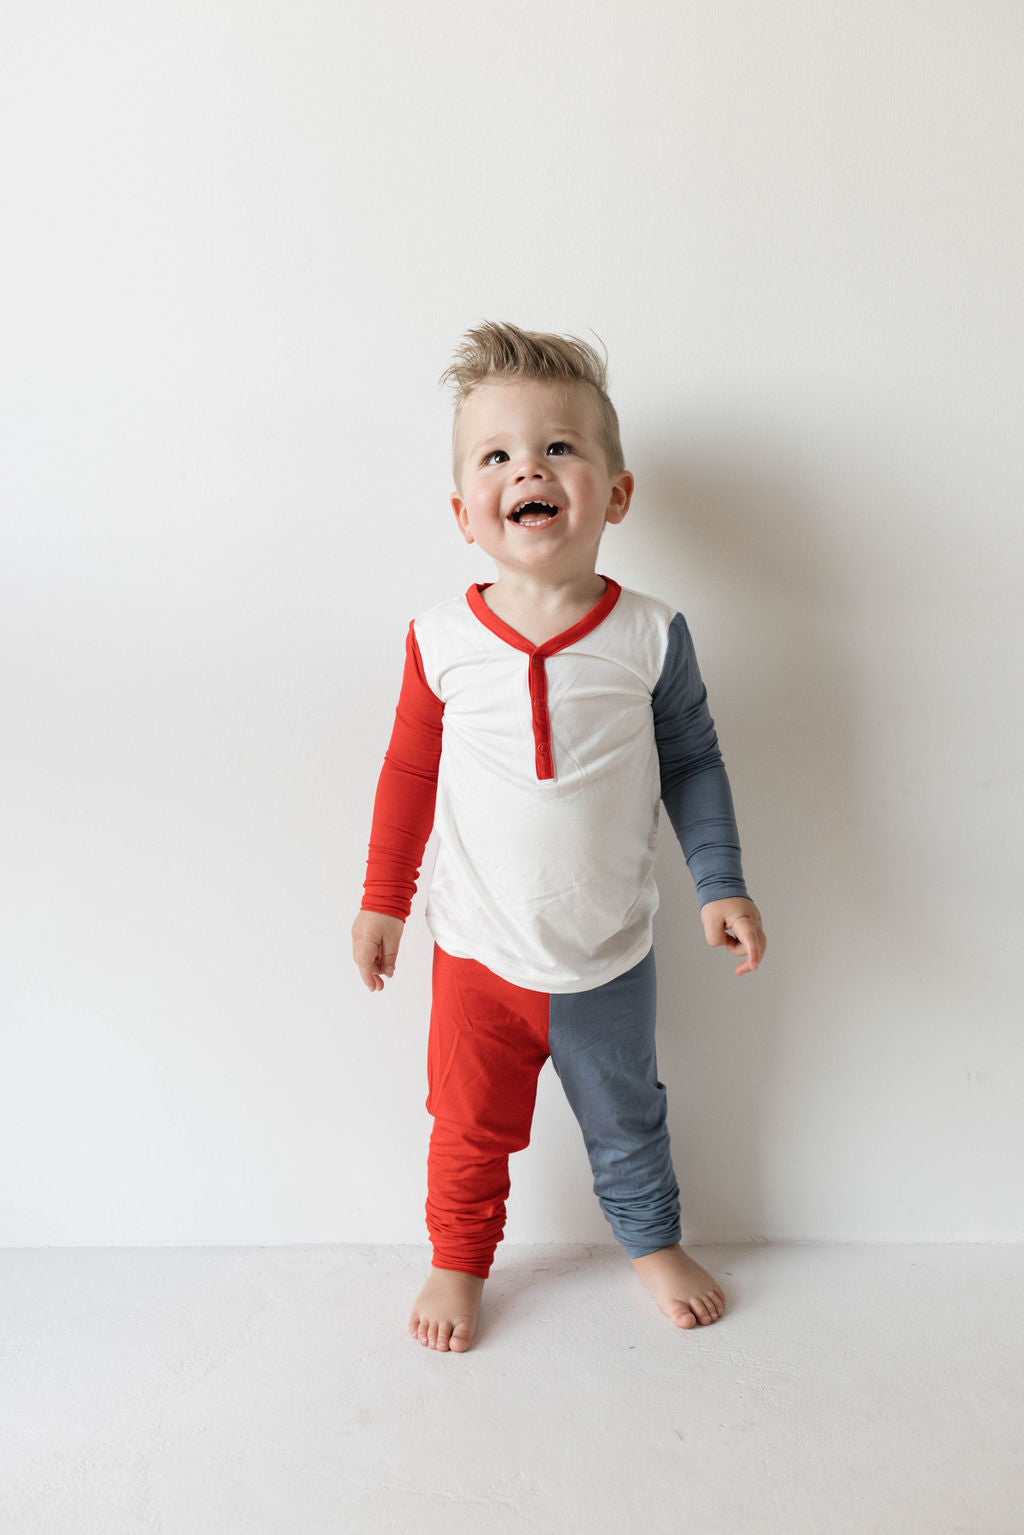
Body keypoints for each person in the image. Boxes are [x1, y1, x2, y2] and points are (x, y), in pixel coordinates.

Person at [351, 320, 766, 1353]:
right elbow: (408, 772)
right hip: (476, 955)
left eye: (558, 448)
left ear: (615, 493)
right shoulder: (439, 640)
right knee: (467, 1126)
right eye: (496, 455)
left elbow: (693, 761)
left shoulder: (650, 634)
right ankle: (458, 1260)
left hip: (606, 956)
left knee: (628, 1118)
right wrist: (383, 898)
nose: (527, 469)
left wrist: (720, 880)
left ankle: (651, 1241)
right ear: (464, 513)